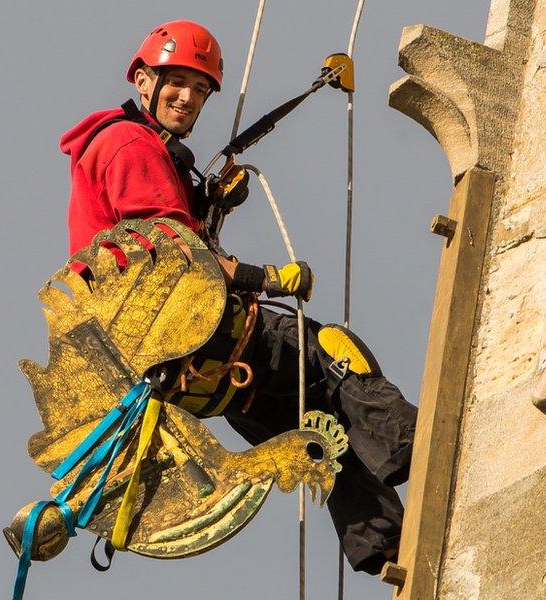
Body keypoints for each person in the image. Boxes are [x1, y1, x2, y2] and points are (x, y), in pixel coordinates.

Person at [58, 19, 417, 575]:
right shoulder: (128, 143)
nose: (188, 97)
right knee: (331, 353)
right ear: (142, 80)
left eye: (200, 89)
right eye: (176, 81)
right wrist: (268, 278)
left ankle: (385, 548)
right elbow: (175, 255)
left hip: (193, 373)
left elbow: (159, 240)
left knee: (318, 431)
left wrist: (207, 203)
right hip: (205, 341)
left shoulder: (132, 150)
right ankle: (415, 444)